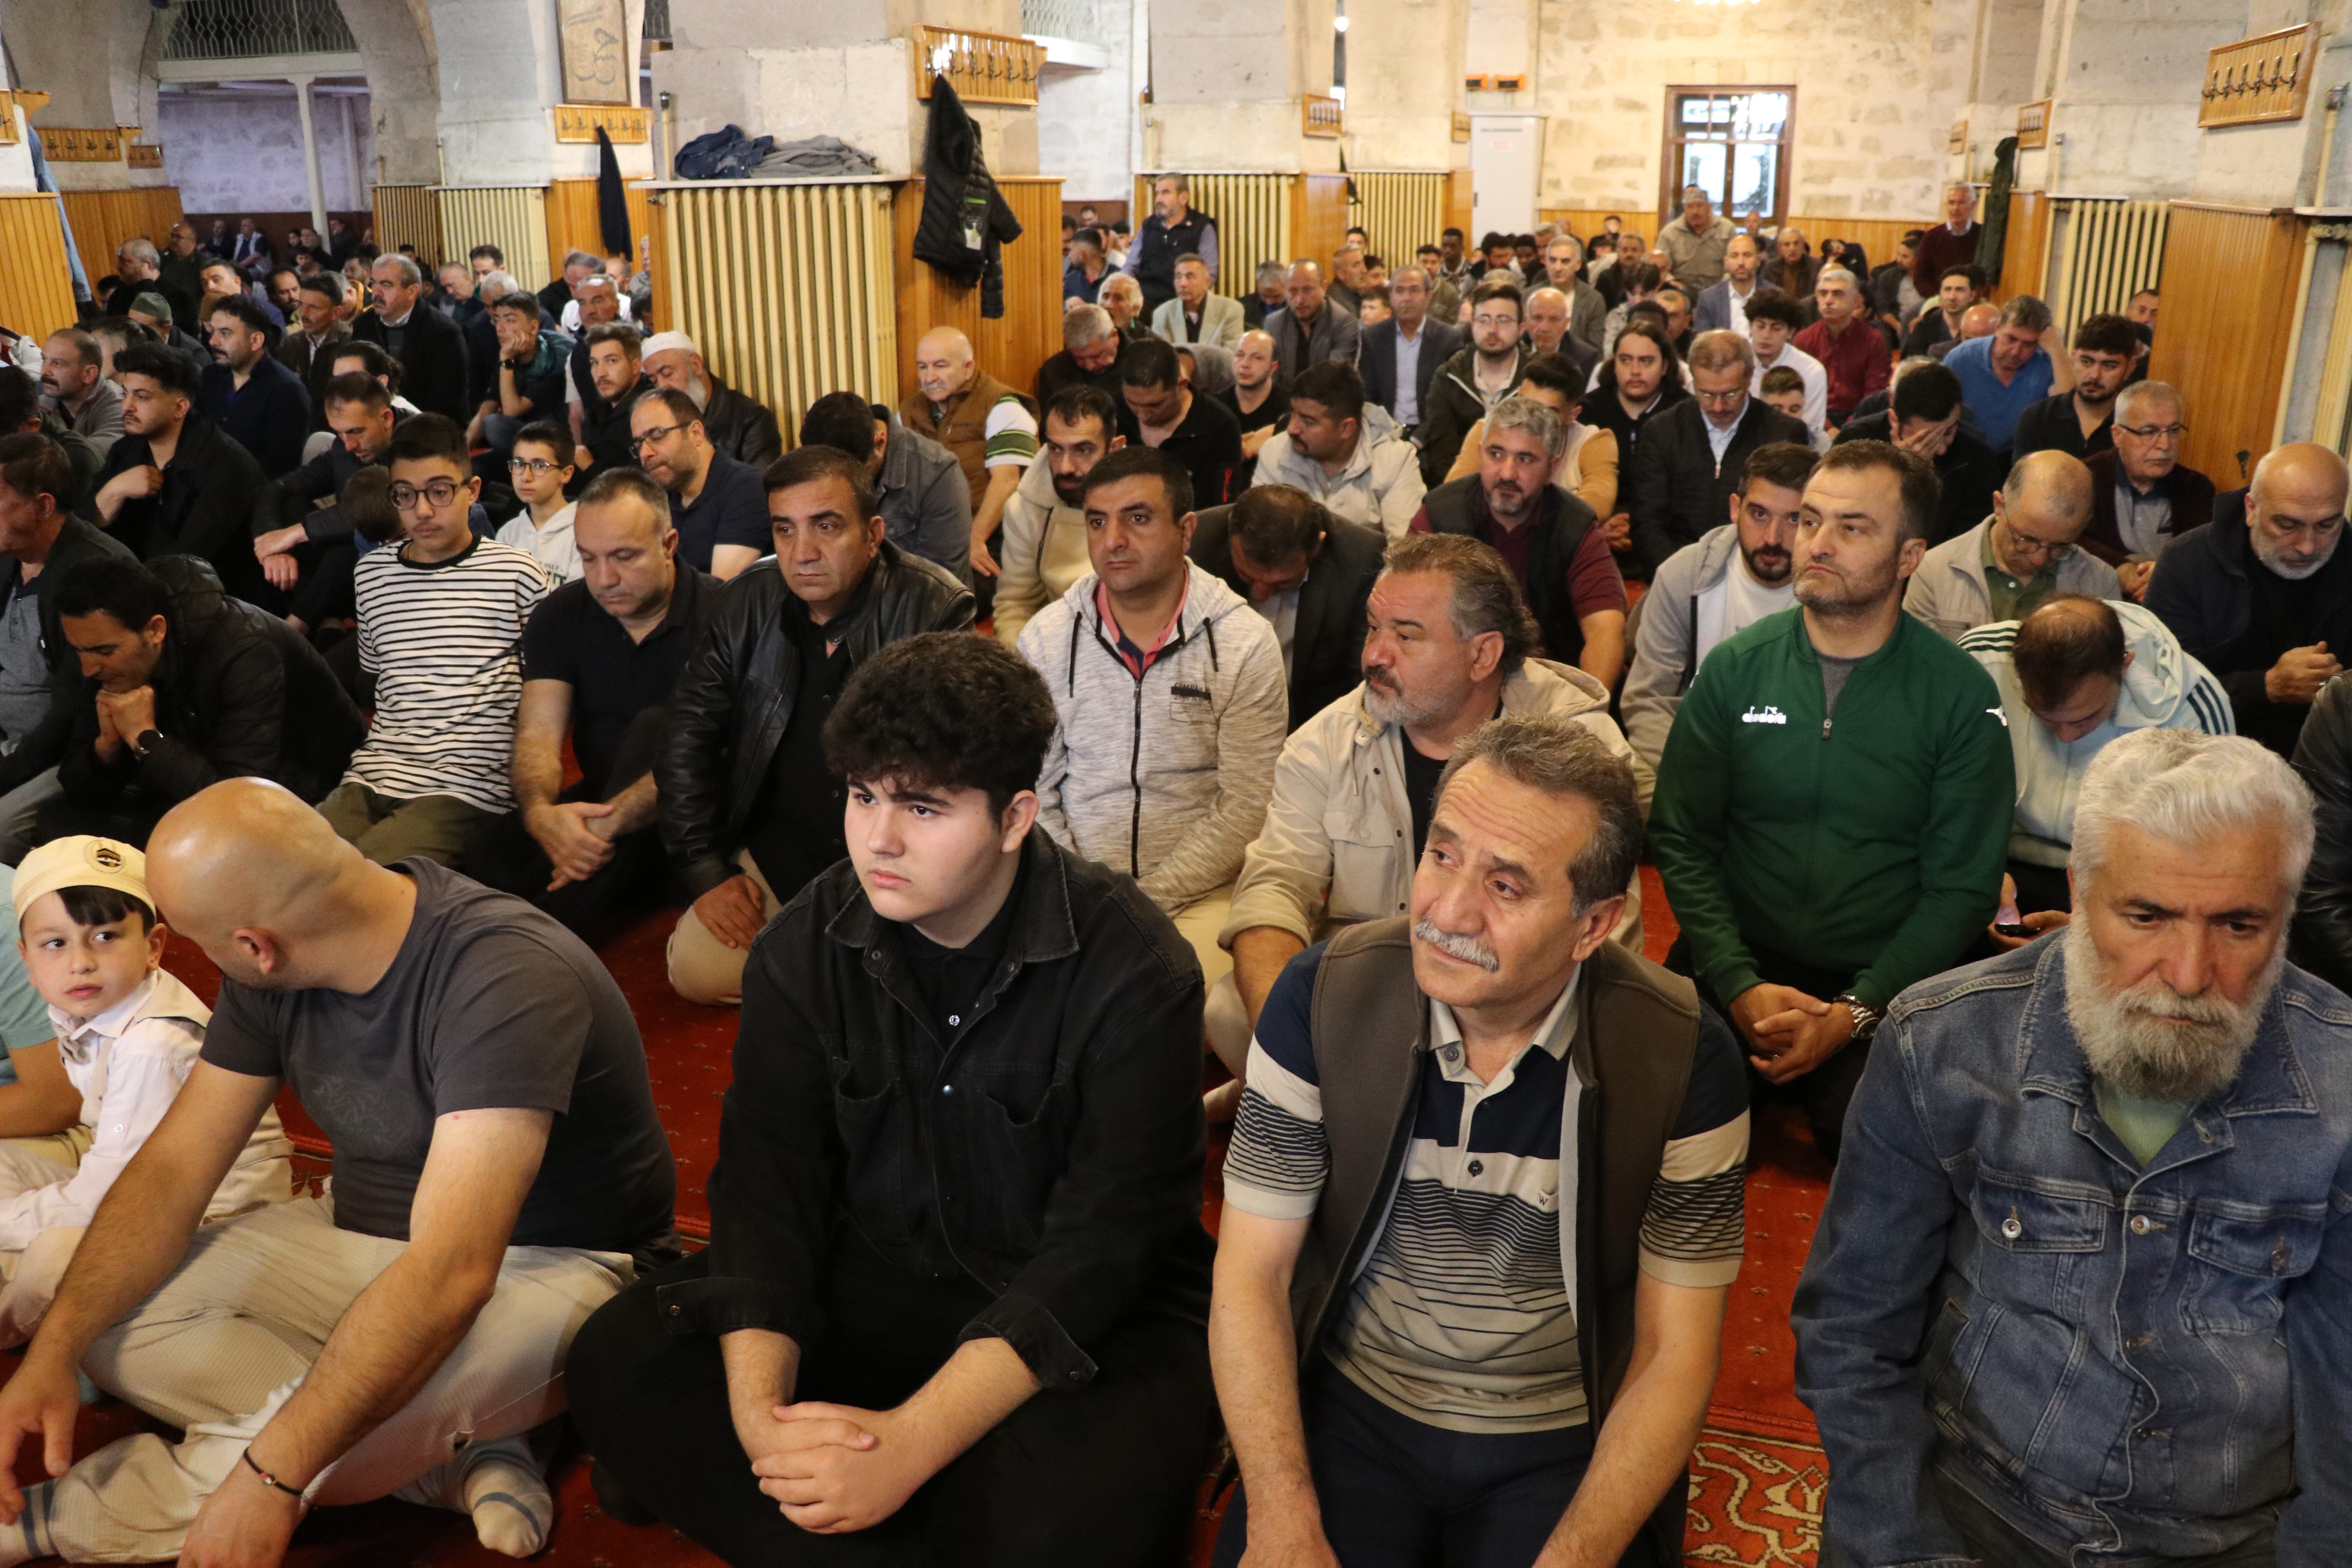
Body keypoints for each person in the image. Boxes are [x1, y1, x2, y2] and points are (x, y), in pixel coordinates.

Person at [572, 631, 1216, 1565]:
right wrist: (761, 1423)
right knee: (616, 1355)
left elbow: (1103, 1250)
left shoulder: (1135, 971)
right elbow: (768, 1186)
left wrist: (912, 1442)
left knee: (1063, 1518)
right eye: (863, 795)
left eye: (922, 806)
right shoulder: (805, 943)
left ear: (1015, 816)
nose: (879, 837)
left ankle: (844, 1517)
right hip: (877, 1273)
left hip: (1078, 1308)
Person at [0, 775, 674, 1564]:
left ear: (256, 945)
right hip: (349, 1229)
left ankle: (58, 1520)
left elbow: (452, 1271)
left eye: (204, 947)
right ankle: (457, 1454)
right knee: (73, 1291)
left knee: (315, 1452)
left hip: (552, 1265)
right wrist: (54, 1352)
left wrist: (275, 1475)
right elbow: (172, 1171)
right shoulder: (282, 953)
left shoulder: (503, 975)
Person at [1794, 726, 2345, 1568]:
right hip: (1976, 1502)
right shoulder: (1942, 1044)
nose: (2189, 973)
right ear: (2082, 891)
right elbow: (1852, 1333)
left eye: (2239, 925)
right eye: (2147, 916)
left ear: (2286, 913)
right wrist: (1908, 1548)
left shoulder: (2342, 1084)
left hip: (2233, 1537)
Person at [1211, 712, 1740, 1568]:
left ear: (1594, 924)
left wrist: (1576, 1554)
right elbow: (1252, 1274)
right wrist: (1281, 1514)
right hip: (1354, 1405)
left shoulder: (1682, 1054)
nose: (1447, 911)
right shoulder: (1322, 997)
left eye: (1506, 886)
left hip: (1563, 1430)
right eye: (1443, 855)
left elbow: (1673, 1352)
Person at [1650, 440, 2014, 1162]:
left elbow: (1962, 889)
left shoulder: (1962, 697)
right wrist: (1738, 984)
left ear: (1909, 557)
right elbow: (1683, 837)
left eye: (1852, 528)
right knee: (1660, 1112)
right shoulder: (1735, 669)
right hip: (1737, 955)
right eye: (1811, 520)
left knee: (1874, 1139)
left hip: (1886, 976)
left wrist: (1855, 1012)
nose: (1815, 543)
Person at [660, 445, 976, 1006]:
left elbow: (948, 776)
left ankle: (832, 974)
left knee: (942, 969)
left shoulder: (934, 608)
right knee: (696, 972)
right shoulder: (746, 602)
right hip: (781, 851)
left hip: (893, 853)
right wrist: (706, 871)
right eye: (784, 529)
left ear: (873, 534)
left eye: (826, 526)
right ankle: (845, 977)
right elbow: (688, 738)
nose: (802, 552)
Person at [0, 836, 291, 1347]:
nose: (80, 962)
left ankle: (33, 1334)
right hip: (128, 1177)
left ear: (154, 946)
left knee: (53, 1259)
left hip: (210, 1219)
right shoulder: (83, 1002)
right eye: (56, 944)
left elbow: (108, 1199)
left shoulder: (152, 1045)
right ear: (28, 958)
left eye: (105, 937)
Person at [1016, 443, 1285, 994]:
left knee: (1172, 999)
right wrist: (1084, 894)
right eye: (1097, 521)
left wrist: (1141, 904)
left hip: (1199, 894)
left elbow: (1246, 804)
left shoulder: (1243, 642)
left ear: (1186, 530)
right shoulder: (1046, 638)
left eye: (1137, 518)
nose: (1113, 540)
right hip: (1066, 887)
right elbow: (1034, 789)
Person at [468, 470, 718, 936]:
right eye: (589, 558)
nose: (604, 579)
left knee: (658, 726)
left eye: (624, 557)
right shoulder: (561, 614)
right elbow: (539, 735)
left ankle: (545, 937)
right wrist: (543, 817)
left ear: (669, 545)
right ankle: (574, 881)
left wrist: (608, 827)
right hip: (602, 800)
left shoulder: (724, 613)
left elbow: (714, 756)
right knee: (488, 852)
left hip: (692, 816)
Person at [317, 416, 549, 867]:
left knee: (357, 878)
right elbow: (379, 679)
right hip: (374, 774)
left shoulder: (517, 574)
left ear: (473, 490)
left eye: (439, 491)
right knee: (289, 859)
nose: (422, 511)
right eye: (406, 494)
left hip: (467, 786)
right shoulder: (372, 573)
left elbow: (546, 695)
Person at [41, 549, 363, 846]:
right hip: (196, 782)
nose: (88, 669)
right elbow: (79, 790)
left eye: (104, 652)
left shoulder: (245, 649)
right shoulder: (104, 654)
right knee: (57, 826)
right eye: (79, 651)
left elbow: (242, 801)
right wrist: (106, 748)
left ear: (155, 631)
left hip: (304, 786)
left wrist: (145, 738)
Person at [1960, 594, 2233, 925]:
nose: (2066, 736)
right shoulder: (1977, 663)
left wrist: (2094, 927)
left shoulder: (2192, 708)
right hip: (1993, 859)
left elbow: (2204, 851)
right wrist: (1976, 871)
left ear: (2125, 667)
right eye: (2042, 716)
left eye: (2086, 718)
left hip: (2124, 879)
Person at [1621, 441, 1816, 812]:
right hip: (1691, 758)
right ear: (1735, 509)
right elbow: (1647, 700)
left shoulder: (1832, 590)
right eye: (1759, 514)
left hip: (1794, 769)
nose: (1772, 538)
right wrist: (1703, 776)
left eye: (1794, 520)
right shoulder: (1684, 575)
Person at [2145, 441, 2352, 760]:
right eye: (2287, 525)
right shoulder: (2187, 563)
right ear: (2251, 509)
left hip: (2330, 761)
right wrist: (2266, 687)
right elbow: (2159, 694)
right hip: (2206, 756)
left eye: (2327, 525)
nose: (2308, 546)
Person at [1410, 395, 1629, 688]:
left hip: (1550, 682)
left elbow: (1606, 630)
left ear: (1553, 468)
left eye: (1525, 459)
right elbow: (1405, 613)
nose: (1508, 473)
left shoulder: (1574, 527)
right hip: (1455, 679)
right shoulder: (1440, 515)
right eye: (1496, 454)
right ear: (1480, 454)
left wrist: (1585, 707)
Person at [0, 436, 139, 858]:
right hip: (10, 738)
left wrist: (6, 772)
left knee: (1, 827)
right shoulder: (9, 553)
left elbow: (71, 714)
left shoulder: (93, 575)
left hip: (64, 753)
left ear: (43, 506)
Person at [1189, 484, 1384, 732]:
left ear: (1317, 547)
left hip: (1313, 723)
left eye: (1282, 583)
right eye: (1246, 576)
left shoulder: (1359, 557)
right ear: (1231, 533)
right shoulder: (1196, 541)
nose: (1260, 594)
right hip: (1209, 716)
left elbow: (1363, 675)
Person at [1626, 329, 1809, 578]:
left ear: (1750, 378)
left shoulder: (1784, 433)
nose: (1718, 406)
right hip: (1675, 570)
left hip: (1754, 572)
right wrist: (1680, 577)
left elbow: (1791, 521)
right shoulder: (1662, 431)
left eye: (1730, 394)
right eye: (1707, 394)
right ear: (1692, 381)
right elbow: (1647, 521)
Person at [90, 345, 266, 596]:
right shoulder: (127, 451)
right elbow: (82, 530)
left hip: (211, 596)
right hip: (138, 583)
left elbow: (188, 560)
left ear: (180, 408)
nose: (127, 406)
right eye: (125, 393)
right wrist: (112, 492)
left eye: (142, 397)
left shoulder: (226, 465)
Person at [1904, 450, 2117, 640]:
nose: (2039, 559)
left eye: (2060, 547)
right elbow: (1919, 665)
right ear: (1999, 506)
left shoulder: (2100, 584)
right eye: (2026, 540)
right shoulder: (1933, 572)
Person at [992, 385, 1125, 652]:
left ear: (1114, 448)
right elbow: (1016, 604)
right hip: (1056, 649)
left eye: (1083, 450)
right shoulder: (1025, 508)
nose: (1065, 467)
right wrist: (1024, 664)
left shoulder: (1144, 509)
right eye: (1055, 449)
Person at [900, 326, 1037, 582]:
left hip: (993, 533)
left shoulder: (1003, 407)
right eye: (922, 367)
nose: (929, 378)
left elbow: (1007, 481)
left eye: (940, 366)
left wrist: (975, 539)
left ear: (968, 368)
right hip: (928, 534)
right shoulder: (909, 411)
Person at [799, 392, 976, 583]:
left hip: (912, 596)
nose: (845, 486)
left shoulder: (938, 473)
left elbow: (941, 583)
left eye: (856, 474)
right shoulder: (813, 466)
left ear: (880, 443)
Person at [1247, 362, 1426, 540]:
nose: (1292, 428)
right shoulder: (1275, 452)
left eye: (1308, 421)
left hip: (1370, 559)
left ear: (1346, 429)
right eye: (1293, 413)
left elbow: (1405, 548)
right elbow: (1257, 536)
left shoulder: (1396, 461)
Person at [1833, 360, 2002, 544]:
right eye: (1923, 440)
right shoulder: (1855, 442)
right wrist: (1899, 472)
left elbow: (1966, 541)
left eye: (1948, 433)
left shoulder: (1979, 460)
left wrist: (1925, 483)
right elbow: (1842, 513)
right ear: (1894, 420)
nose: (1940, 449)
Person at [2082, 379, 2213, 599]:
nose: (2165, 445)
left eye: (2173, 431)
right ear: (2117, 435)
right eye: (2149, 432)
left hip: (2168, 602)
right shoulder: (2086, 478)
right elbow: (2073, 540)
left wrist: (2164, 573)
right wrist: (2121, 568)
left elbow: (2199, 554)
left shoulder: (2196, 488)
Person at [631, 387, 769, 580]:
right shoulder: (659, 497)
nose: (645, 454)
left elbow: (722, 589)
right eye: (639, 444)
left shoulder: (745, 488)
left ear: (696, 433)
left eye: (657, 435)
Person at [1414, 278, 1534, 486]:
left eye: (1503, 320)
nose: (1493, 329)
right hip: (1461, 488)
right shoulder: (1450, 376)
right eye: (1484, 320)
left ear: (1521, 328)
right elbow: (1442, 455)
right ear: (1472, 326)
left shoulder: (1536, 378)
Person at [194, 296, 310, 482]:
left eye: (225, 333)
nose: (213, 342)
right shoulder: (210, 376)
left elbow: (281, 466)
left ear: (256, 340)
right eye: (212, 331)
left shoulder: (286, 391)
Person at [348, 254, 470, 423]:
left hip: (428, 426)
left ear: (412, 292)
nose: (376, 293)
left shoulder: (442, 332)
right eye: (374, 284)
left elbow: (448, 402)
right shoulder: (364, 325)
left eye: (386, 285)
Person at [638, 331, 783, 470]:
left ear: (696, 365)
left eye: (668, 374)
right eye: (654, 381)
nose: (662, 387)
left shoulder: (753, 420)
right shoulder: (658, 424)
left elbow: (756, 483)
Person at [2010, 312, 2136, 461]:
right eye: (2086, 362)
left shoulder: (2136, 424)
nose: (2095, 375)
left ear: (2130, 368)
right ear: (2074, 358)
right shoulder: (2037, 418)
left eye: (2109, 366)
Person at [466, 290, 569, 468]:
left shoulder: (555, 359)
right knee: (472, 467)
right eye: (497, 320)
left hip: (553, 444)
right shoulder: (510, 354)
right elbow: (488, 407)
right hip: (522, 438)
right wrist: (460, 453)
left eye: (510, 320)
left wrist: (506, 360)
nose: (500, 328)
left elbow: (512, 411)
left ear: (534, 327)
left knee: (494, 425)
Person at [1945, 294, 2058, 456]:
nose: (2016, 352)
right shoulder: (1961, 359)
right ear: (1998, 328)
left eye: (2029, 344)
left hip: (2020, 456)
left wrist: (2057, 349)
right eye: (2011, 339)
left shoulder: (2046, 363)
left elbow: (2069, 410)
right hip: (1963, 453)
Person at [1357, 265, 1465, 434]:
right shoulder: (1372, 338)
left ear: (1428, 296)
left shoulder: (1448, 340)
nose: (1406, 298)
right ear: (1391, 297)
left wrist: (1420, 437)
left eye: (1414, 291)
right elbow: (1368, 397)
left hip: (1433, 435)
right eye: (1399, 291)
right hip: (1386, 434)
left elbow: (1449, 401)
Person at [1581, 319, 1690, 475]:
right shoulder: (1589, 410)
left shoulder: (1685, 413)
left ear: (1665, 367)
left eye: (1646, 361)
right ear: (1614, 364)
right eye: (1625, 360)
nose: (1635, 371)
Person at [1791, 267, 1888, 428]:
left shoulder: (1873, 339)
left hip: (1860, 418)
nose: (1828, 301)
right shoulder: (1804, 339)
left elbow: (1874, 394)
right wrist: (1827, 427)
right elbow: (1800, 392)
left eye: (1838, 294)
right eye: (1823, 294)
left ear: (1856, 301)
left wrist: (1849, 428)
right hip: (1815, 417)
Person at [493, 421, 581, 585]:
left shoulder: (583, 531)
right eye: (519, 464)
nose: (526, 477)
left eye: (539, 465)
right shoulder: (507, 534)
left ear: (566, 474)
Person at [1033, 305, 1135, 435]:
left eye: (1097, 356)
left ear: (1114, 337)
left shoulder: (1140, 364)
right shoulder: (1054, 370)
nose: (1089, 366)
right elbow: (1046, 428)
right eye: (1079, 358)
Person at [572, 321, 653, 478]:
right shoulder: (596, 412)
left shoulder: (651, 410)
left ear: (636, 366)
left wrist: (590, 467)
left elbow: (641, 482)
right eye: (595, 363)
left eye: (611, 361)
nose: (600, 373)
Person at [1262, 260, 1362, 383]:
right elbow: (1272, 376)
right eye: (1293, 291)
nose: (1299, 300)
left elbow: (1335, 378)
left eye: (1308, 290)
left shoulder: (1344, 322)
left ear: (1324, 288)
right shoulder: (1274, 323)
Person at [36, 331, 123, 457]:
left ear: (89, 374)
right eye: (44, 360)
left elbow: (91, 455)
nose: (44, 372)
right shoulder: (41, 405)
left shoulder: (118, 404)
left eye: (57, 364)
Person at [1226, 327, 1290, 488]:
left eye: (1257, 358)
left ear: (1273, 367)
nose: (1245, 364)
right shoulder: (1214, 407)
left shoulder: (1290, 407)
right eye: (1240, 355)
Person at [274, 273, 350, 403]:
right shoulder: (290, 344)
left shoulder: (350, 345)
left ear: (336, 313)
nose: (304, 314)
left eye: (313, 307)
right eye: (301, 305)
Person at [1908, 181, 1983, 300]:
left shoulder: (1983, 236)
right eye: (1951, 203)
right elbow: (1920, 277)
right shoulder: (1932, 237)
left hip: (1973, 300)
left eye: (1961, 203)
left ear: (1973, 205)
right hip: (1938, 299)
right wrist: (1941, 298)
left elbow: (1987, 276)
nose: (1956, 209)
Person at [1150, 252, 1242, 348]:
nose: (1183, 284)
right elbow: (1159, 354)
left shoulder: (1231, 310)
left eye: (1190, 277)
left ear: (1207, 282)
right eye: (1179, 277)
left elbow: (1231, 354)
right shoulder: (1162, 314)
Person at [1657, 183, 1737, 292]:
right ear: (1684, 209)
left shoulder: (1727, 229)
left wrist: (1725, 283)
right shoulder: (1669, 233)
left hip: (1718, 288)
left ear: (1709, 207)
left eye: (1700, 206)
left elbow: (1735, 262)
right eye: (1690, 207)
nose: (1695, 212)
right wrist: (1670, 281)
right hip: (1681, 288)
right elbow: (1659, 265)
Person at [1901, 263, 1987, 358]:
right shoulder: (1924, 327)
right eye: (1947, 290)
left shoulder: (1980, 329)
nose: (1952, 297)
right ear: (1940, 294)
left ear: (1972, 295)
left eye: (1960, 290)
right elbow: (1912, 363)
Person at [1538, 233, 1607, 350]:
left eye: (1565, 262)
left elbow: (1595, 350)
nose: (1558, 268)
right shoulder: (1529, 296)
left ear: (1578, 265)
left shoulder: (1593, 300)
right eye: (1553, 260)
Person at [1692, 231, 1764, 336]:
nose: (1741, 262)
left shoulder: (1774, 297)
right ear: (1726, 262)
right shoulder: (1708, 298)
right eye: (1734, 256)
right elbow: (1703, 341)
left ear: (1758, 261)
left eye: (1747, 255)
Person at [1760, 225, 1820, 300]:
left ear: (1803, 246)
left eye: (1796, 244)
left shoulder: (1816, 267)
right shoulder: (1771, 268)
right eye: (1787, 245)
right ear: (1780, 249)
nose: (1792, 249)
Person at [1063, 226, 1111, 304]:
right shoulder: (1071, 280)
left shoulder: (1117, 277)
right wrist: (1068, 303)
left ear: (1083, 255)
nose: (1069, 256)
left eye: (1071, 251)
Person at [1242, 261, 1289, 331]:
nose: (1270, 302)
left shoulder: (1298, 307)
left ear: (1287, 286)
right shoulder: (1243, 307)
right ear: (1258, 285)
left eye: (1276, 296)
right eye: (1264, 296)